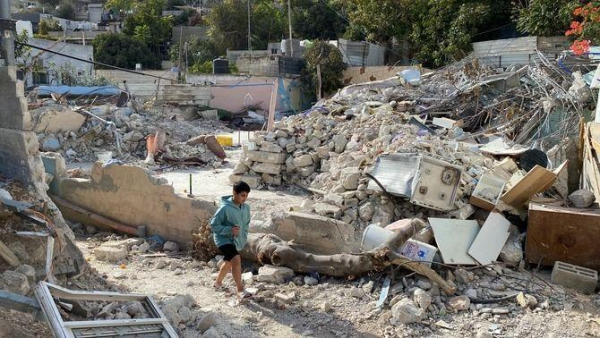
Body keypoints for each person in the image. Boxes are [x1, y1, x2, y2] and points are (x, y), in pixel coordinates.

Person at [210, 181, 252, 299]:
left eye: (246, 195)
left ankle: (217, 283)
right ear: (234, 193)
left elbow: (246, 225)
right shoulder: (224, 208)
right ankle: (240, 290)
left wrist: (242, 237)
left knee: (229, 261)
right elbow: (213, 225)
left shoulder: (246, 208)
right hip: (223, 239)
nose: (245, 198)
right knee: (236, 259)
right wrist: (229, 230)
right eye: (242, 195)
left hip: (236, 240)